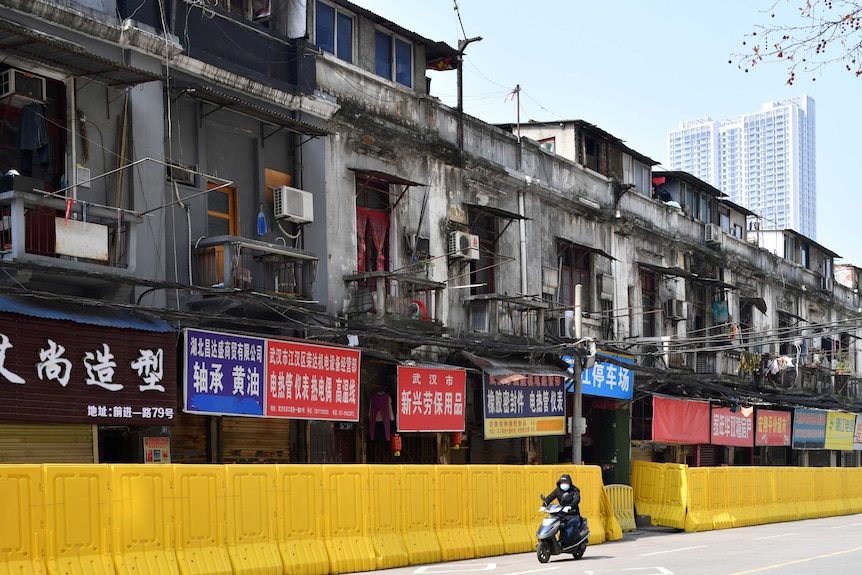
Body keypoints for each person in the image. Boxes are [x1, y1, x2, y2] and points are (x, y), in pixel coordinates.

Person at [543, 473, 581, 544]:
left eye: (566, 483)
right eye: (562, 482)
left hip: (573, 514)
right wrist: (544, 505)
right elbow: (550, 497)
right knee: (553, 522)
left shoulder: (575, 490)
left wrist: (570, 506)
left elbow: (577, 499)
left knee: (571, 524)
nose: (564, 484)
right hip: (562, 513)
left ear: (569, 483)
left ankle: (563, 542)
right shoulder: (558, 490)